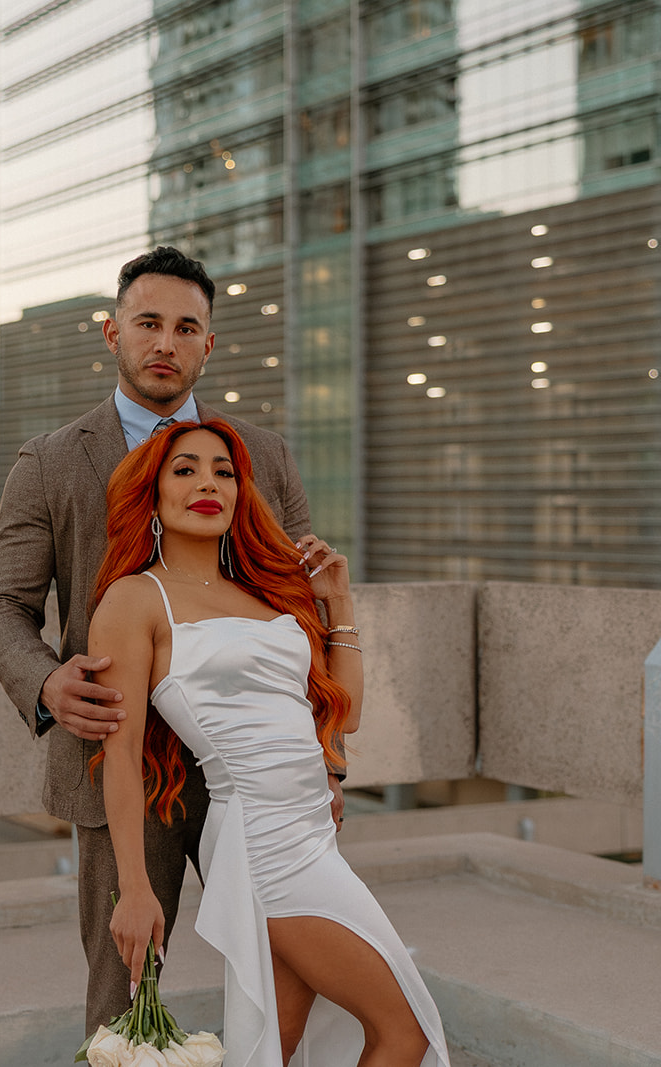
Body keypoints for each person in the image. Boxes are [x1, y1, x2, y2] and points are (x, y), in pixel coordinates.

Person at [0, 246, 338, 1032]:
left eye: (186, 327)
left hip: (252, 769)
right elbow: (1, 607)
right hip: (121, 764)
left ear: (210, 344)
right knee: (124, 993)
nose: (165, 342)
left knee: (290, 972)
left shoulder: (263, 458)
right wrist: (45, 682)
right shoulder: (49, 462)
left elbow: (301, 613)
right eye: (148, 323)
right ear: (113, 333)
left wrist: (324, 758)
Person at [88, 419, 449, 1066]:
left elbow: (346, 714)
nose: (208, 483)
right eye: (186, 469)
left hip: (312, 831)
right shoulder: (134, 599)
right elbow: (120, 753)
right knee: (404, 1029)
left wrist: (338, 602)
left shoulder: (262, 591)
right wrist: (135, 888)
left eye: (224, 471)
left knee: (271, 1048)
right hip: (262, 845)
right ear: (153, 494)